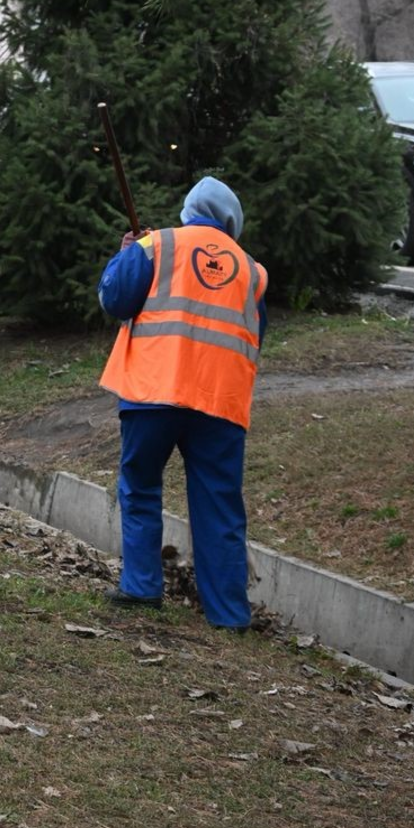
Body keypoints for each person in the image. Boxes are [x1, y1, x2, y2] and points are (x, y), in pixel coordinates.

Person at [96, 176, 267, 631]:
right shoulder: (251, 270)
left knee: (141, 484)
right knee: (219, 506)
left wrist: (124, 254)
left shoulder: (155, 246)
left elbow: (115, 300)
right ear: (232, 224)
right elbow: (256, 334)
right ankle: (229, 615)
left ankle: (141, 587)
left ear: (189, 210)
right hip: (219, 402)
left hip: (154, 391)